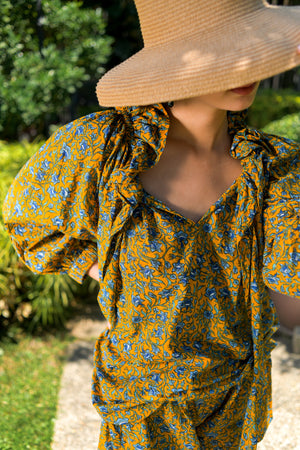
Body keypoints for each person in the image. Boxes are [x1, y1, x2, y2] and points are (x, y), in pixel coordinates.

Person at [3, 0, 300, 448]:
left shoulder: (274, 167)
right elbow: (27, 215)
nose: (245, 66)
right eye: (225, 53)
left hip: (232, 407)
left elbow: (289, 300)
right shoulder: (106, 148)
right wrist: (105, 266)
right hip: (141, 408)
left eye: (253, 48)